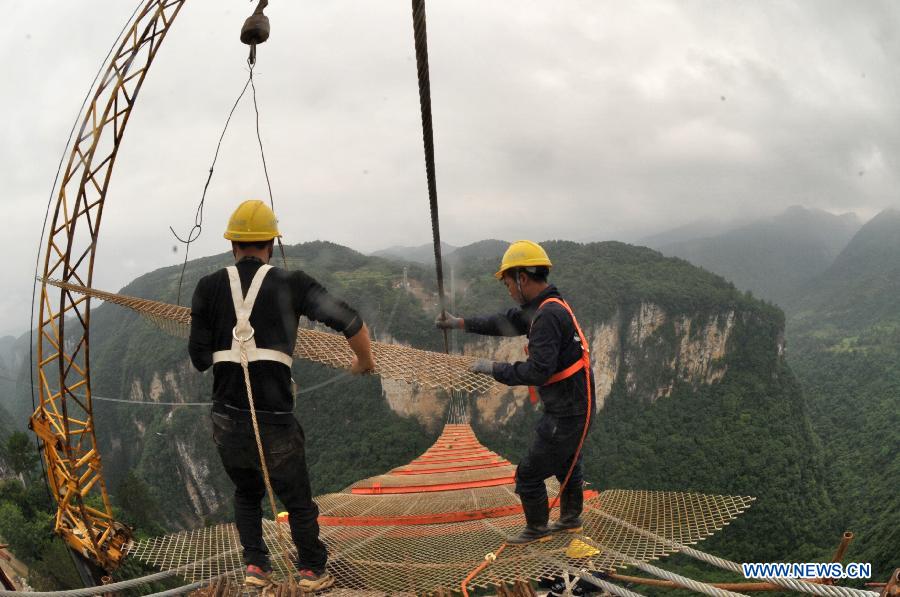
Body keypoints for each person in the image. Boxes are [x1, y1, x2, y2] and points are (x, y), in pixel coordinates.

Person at [189, 199, 375, 590]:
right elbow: (351, 321)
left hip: (227, 420)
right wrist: (364, 362)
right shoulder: (295, 284)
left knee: (247, 492)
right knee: (298, 501)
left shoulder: (207, 287)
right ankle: (311, 569)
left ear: (233, 246)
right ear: (271, 245)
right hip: (274, 422)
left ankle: (256, 566)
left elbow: (199, 359)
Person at [436, 240, 594, 545]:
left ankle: (537, 530)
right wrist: (460, 323)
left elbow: (538, 371)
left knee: (529, 475)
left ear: (522, 278)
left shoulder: (546, 316)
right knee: (567, 462)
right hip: (578, 406)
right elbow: (505, 322)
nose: (508, 289)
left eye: (508, 282)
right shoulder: (547, 307)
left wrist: (494, 368)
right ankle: (571, 520)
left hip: (567, 411)